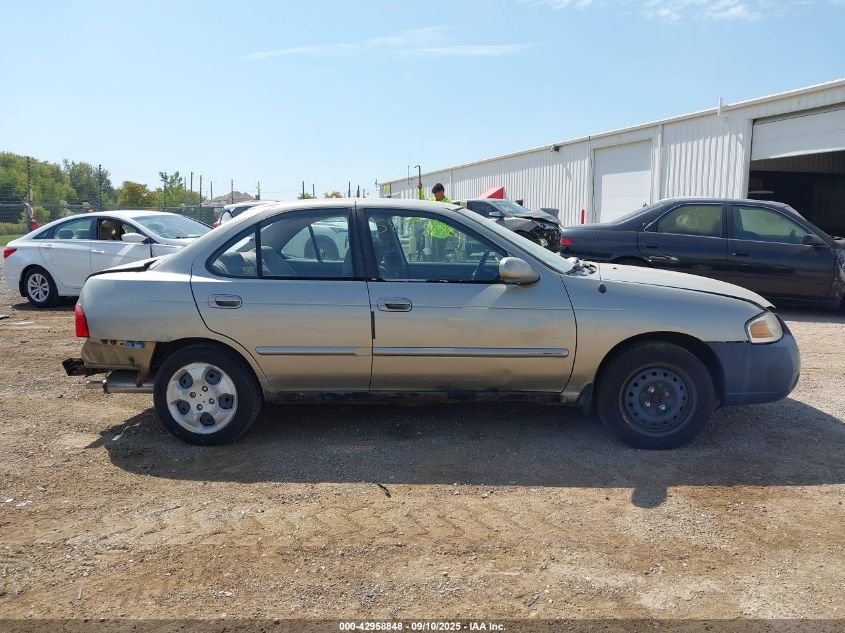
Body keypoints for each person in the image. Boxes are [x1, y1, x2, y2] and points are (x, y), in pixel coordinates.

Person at [417, 182, 453, 260]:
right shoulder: (433, 200)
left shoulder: (448, 203)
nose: (434, 196)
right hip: (433, 233)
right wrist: (420, 190)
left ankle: (441, 270)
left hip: (442, 235)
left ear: (441, 192)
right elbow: (422, 200)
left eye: (436, 194)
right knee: (432, 255)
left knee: (440, 255)